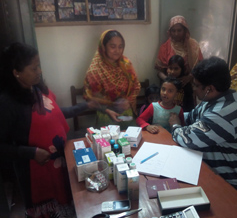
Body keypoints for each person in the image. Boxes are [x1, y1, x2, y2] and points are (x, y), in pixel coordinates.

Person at [0, 42, 99, 217]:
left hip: (59, 164)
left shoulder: (38, 90)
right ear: (17, 73)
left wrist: (86, 105)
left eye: (39, 65)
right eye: (34, 68)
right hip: (36, 172)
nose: (40, 71)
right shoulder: (8, 103)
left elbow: (57, 114)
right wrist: (32, 152)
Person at [169, 57, 237, 192]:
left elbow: (188, 139)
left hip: (227, 182)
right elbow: (192, 117)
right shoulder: (216, 98)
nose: (193, 89)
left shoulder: (224, 113)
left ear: (210, 89)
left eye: (195, 85)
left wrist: (175, 126)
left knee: (173, 190)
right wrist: (171, 114)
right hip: (206, 163)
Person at [83, 29, 141, 130]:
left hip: (126, 112)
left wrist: (128, 100)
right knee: (109, 144)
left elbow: (136, 86)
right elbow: (89, 97)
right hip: (106, 115)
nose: (117, 51)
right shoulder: (95, 70)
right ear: (103, 47)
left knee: (131, 142)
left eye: (120, 46)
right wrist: (107, 110)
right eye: (113, 46)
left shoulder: (126, 64)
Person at [155, 15, 203, 88]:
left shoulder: (194, 45)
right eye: (173, 31)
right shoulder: (165, 47)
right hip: (170, 87)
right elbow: (159, 72)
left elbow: (200, 66)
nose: (176, 33)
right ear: (170, 32)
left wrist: (189, 77)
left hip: (190, 85)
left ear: (185, 30)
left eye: (179, 30)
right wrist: (169, 80)